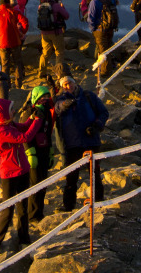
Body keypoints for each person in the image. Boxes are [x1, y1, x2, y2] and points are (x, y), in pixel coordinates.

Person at [0, 97, 43, 259]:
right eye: (11, 110)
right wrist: (38, 121)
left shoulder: (9, 125)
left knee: (22, 208)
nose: (14, 111)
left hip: (22, 171)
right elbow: (24, 137)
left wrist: (31, 118)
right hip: (9, 175)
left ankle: (24, 238)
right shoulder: (2, 131)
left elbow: (24, 127)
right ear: (4, 113)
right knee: (8, 209)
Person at [54, 75, 108, 211]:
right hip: (72, 144)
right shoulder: (60, 100)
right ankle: (68, 205)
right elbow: (58, 109)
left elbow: (103, 112)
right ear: (61, 86)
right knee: (71, 177)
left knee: (95, 173)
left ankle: (99, 200)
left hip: (91, 141)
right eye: (65, 84)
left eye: (70, 83)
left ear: (75, 82)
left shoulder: (88, 96)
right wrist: (66, 104)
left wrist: (97, 126)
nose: (68, 86)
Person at [24, 85, 55, 220]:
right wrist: (30, 153)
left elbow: (48, 132)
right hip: (34, 152)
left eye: (47, 97)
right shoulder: (30, 112)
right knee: (35, 184)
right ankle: (32, 215)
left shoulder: (47, 112)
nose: (45, 100)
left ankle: (39, 212)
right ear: (36, 98)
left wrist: (51, 151)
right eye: (43, 97)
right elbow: (25, 134)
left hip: (44, 150)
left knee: (43, 184)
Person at [0, 0, 29, 89]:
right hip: (15, 41)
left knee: (5, 65)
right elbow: (25, 22)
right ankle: (18, 85)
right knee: (17, 63)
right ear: (9, 3)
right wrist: (22, 32)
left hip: (2, 43)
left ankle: (6, 85)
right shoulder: (14, 12)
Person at [86, 0, 119, 75]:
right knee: (108, 48)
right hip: (110, 27)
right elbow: (116, 3)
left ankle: (105, 71)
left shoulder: (94, 1)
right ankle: (107, 67)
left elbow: (91, 17)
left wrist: (93, 29)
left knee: (103, 50)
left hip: (100, 29)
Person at [36, 0, 71, 86]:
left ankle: (41, 72)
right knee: (59, 52)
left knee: (45, 53)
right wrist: (62, 7)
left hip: (44, 33)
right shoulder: (56, 6)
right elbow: (66, 16)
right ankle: (59, 73)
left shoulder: (40, 6)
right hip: (56, 32)